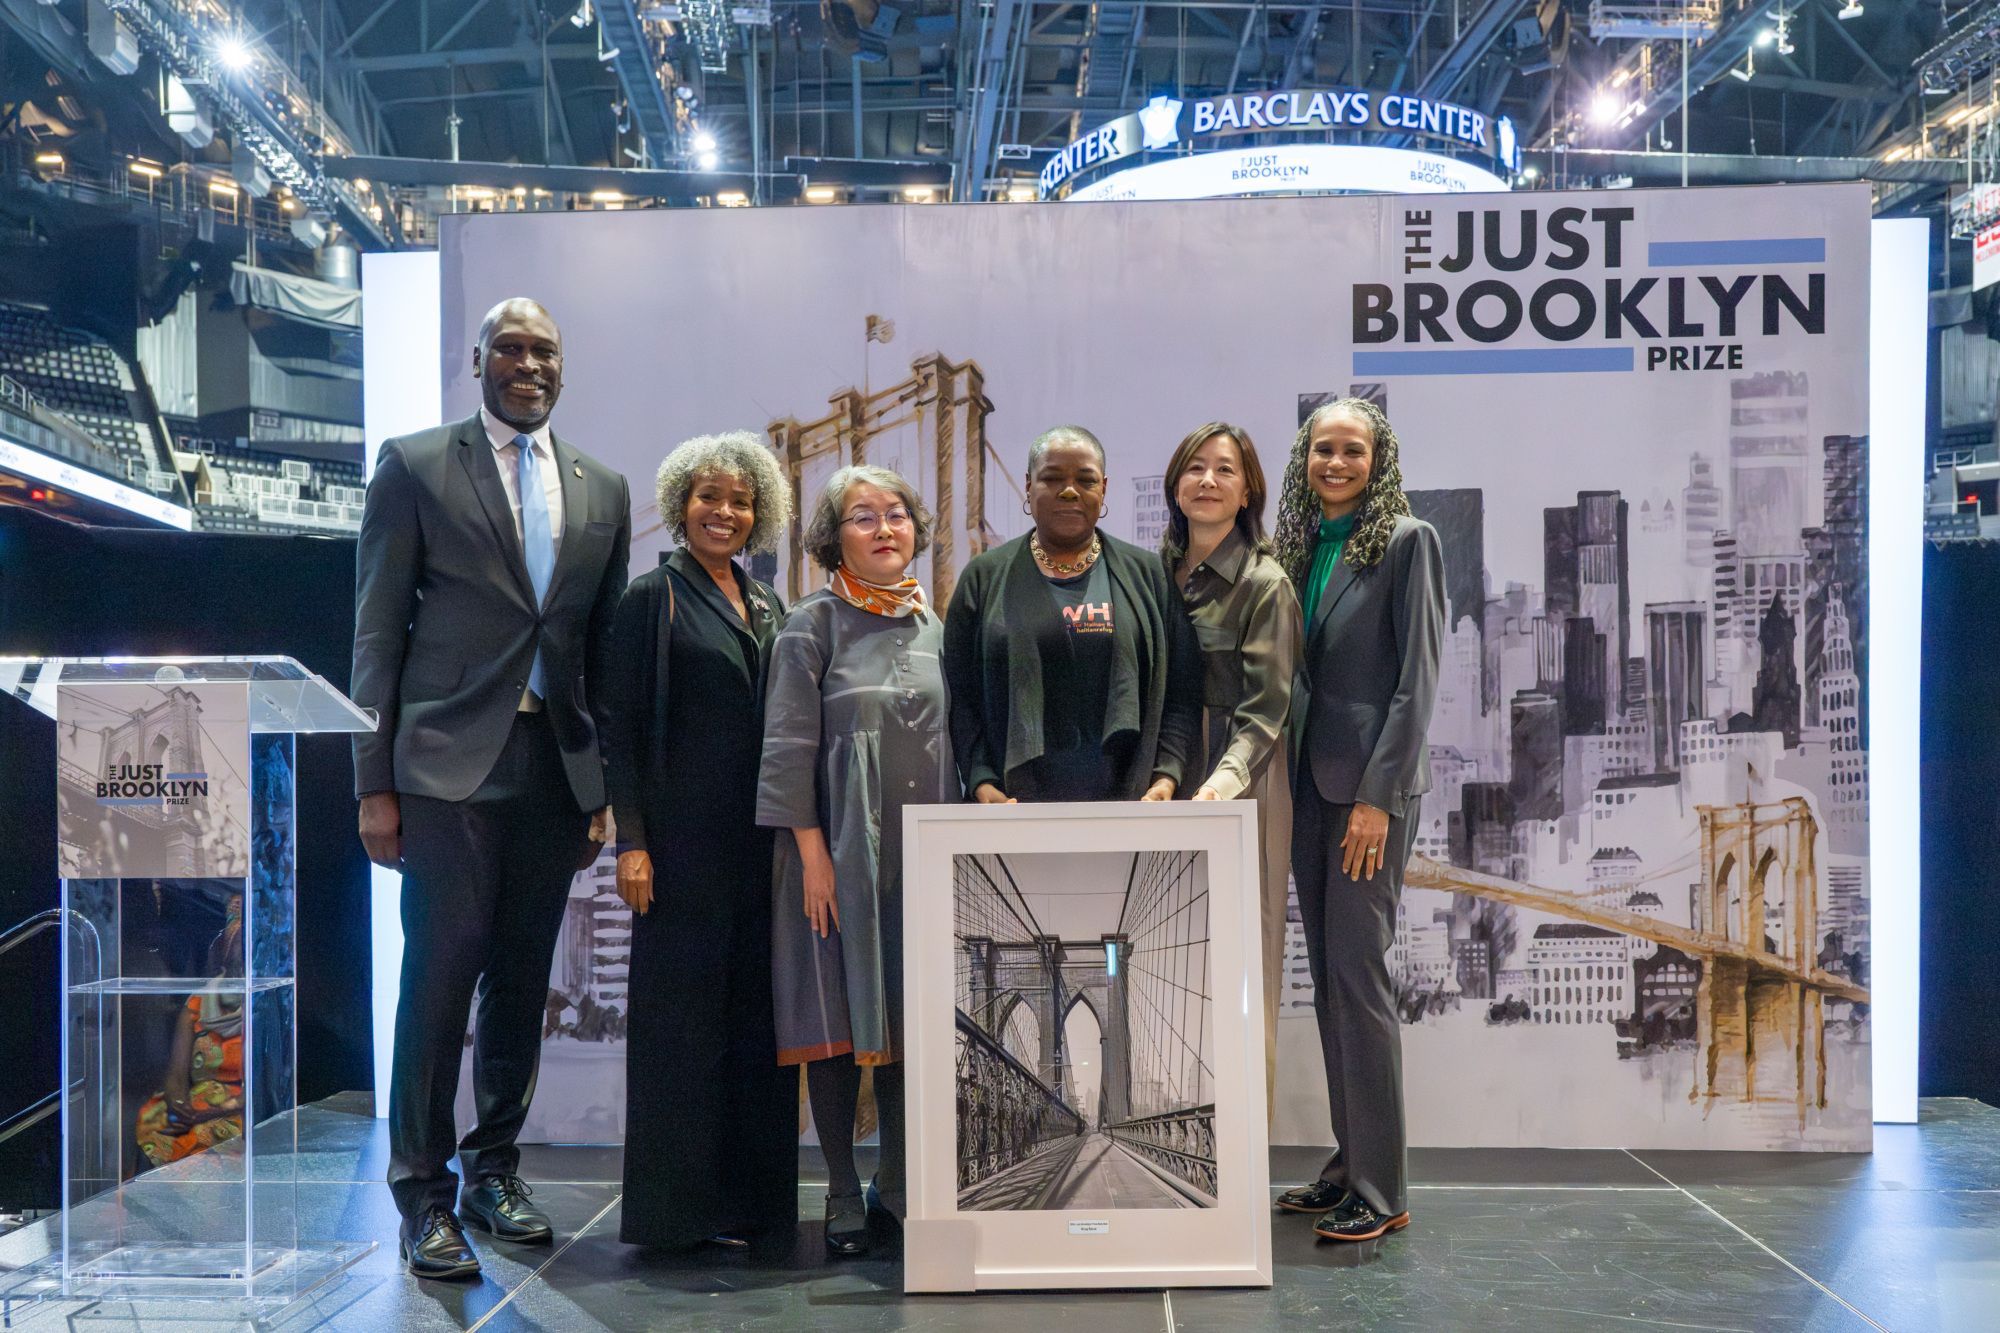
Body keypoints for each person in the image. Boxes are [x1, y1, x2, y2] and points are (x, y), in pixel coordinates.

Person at [353, 299, 630, 1280]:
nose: (526, 363)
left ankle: (492, 1169)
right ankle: (422, 1193)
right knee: (437, 975)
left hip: (554, 769)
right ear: (476, 362)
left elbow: (593, 649)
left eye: (543, 349)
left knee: (521, 977)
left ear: (563, 365)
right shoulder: (416, 462)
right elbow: (377, 630)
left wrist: (605, 784)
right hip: (440, 767)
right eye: (508, 348)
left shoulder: (603, 485)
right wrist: (371, 780)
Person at [603, 432, 798, 1252]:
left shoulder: (769, 605)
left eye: (741, 500)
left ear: (761, 515)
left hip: (761, 852)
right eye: (710, 497)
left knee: (756, 1030)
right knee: (680, 1034)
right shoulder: (656, 596)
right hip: (679, 850)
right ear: (682, 504)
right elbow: (620, 724)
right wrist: (632, 841)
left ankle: (751, 1207)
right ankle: (675, 1214)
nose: (725, 512)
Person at [757, 464, 954, 1256]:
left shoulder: (938, 625)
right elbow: (786, 746)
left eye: (896, 513)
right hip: (833, 856)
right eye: (862, 516)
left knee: (912, 1021)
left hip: (922, 858)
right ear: (832, 537)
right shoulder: (812, 623)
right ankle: (841, 1187)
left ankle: (898, 1185)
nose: (883, 528)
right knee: (836, 1020)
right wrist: (811, 853)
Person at [1268, 398, 1443, 1244]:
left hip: (1367, 797)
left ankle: (1382, 1187)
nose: (1336, 463)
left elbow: (1417, 681)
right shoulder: (1296, 546)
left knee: (1361, 980)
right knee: (1334, 984)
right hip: (1305, 786)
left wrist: (1380, 795)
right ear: (1305, 458)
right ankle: (1348, 1162)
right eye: (1323, 450)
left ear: (1379, 461)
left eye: (1353, 451)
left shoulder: (1409, 541)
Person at [1159, 422, 1302, 1118]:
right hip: (1159, 781)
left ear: (1248, 489)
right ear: (1174, 482)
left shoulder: (1264, 583)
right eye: (1195, 467)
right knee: (1165, 960)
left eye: (1224, 469)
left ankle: (1242, 1151)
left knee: (1244, 964)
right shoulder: (1146, 573)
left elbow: (1266, 710)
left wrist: (1219, 785)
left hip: (1241, 785)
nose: (1208, 480)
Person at [943, 425, 1201, 806]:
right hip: (1011, 809)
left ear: (1104, 489)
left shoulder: (1148, 574)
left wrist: (1166, 777)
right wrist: (981, 780)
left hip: (1131, 806)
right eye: (1052, 478)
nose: (1069, 490)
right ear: (1029, 486)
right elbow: (961, 699)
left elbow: (1182, 691)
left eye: (1085, 480)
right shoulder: (983, 578)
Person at [136, 896, 245, 1169]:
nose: (239, 958)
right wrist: (179, 1105)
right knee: (153, 1122)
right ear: (223, 951)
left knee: (207, 1144)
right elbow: (176, 1073)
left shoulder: (263, 1007)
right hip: (195, 1105)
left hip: (239, 1109)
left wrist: (213, 1111)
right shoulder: (198, 1002)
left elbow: (263, 1086)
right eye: (235, 947)